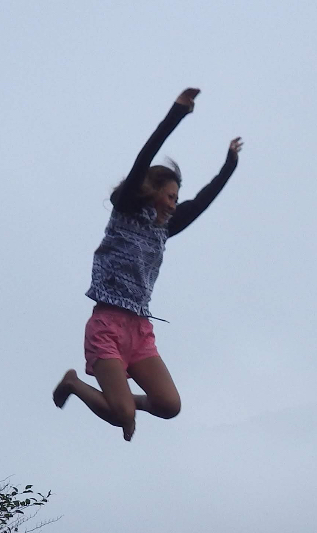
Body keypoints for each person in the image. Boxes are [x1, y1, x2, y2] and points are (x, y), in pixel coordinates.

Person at [53, 87, 242, 440]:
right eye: (170, 196)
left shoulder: (164, 230)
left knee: (170, 406)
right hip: (107, 325)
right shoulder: (125, 209)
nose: (173, 204)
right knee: (122, 416)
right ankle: (76, 385)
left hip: (140, 331)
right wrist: (177, 113)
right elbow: (145, 156)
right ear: (152, 190)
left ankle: (122, 400)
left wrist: (229, 166)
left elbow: (203, 201)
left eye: (176, 199)